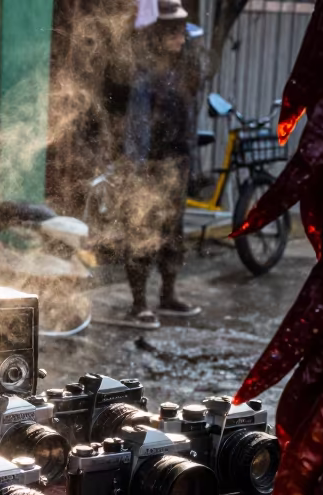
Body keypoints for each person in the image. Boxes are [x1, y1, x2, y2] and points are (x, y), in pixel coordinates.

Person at [120, 0, 202, 328]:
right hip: (147, 165)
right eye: (173, 30)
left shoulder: (180, 70)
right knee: (142, 231)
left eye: (181, 29)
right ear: (157, 34)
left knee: (173, 233)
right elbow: (134, 123)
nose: (180, 36)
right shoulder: (142, 70)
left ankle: (168, 295)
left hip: (175, 161)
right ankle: (138, 303)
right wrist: (135, 164)